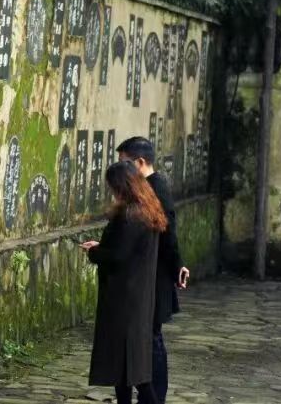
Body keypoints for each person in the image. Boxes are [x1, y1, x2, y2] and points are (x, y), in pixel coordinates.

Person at [81, 161, 167, 404]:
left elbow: (118, 255)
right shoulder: (146, 209)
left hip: (125, 301)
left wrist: (94, 252)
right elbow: (127, 248)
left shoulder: (131, 214)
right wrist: (101, 246)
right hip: (137, 297)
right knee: (125, 369)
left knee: (133, 370)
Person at [116, 136, 187, 404]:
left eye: (125, 163)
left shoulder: (157, 188)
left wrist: (177, 265)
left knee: (152, 337)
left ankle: (156, 396)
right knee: (144, 337)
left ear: (140, 162)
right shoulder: (144, 187)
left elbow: (169, 233)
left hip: (155, 275)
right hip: (144, 273)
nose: (122, 169)